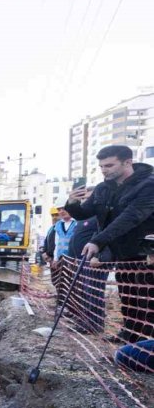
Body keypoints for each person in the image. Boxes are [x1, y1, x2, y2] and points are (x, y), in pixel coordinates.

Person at [65, 145, 154, 343]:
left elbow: (130, 218)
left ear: (128, 162)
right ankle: (130, 334)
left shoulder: (148, 185)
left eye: (109, 165)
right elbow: (84, 214)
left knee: (145, 299)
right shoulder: (103, 188)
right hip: (122, 253)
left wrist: (97, 241)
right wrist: (72, 202)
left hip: (145, 254)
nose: (104, 170)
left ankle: (143, 344)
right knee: (128, 296)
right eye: (101, 166)